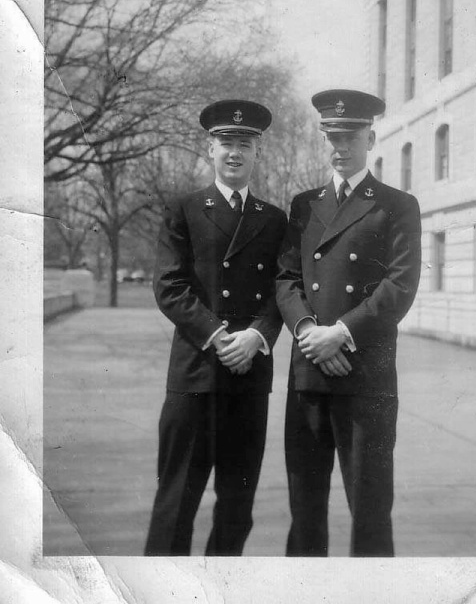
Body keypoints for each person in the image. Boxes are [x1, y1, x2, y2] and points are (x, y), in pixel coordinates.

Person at [277, 89, 422, 557]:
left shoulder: (397, 205)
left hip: (366, 382)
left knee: (371, 514)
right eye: (332, 138)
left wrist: (339, 334)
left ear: (371, 138)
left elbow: (399, 286)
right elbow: (287, 279)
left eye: (350, 137)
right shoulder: (303, 206)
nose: (340, 148)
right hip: (309, 375)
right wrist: (306, 332)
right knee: (305, 514)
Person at [144, 99, 287, 556]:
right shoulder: (184, 208)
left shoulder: (274, 218)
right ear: (210, 149)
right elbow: (169, 286)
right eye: (227, 143)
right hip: (196, 375)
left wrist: (258, 336)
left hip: (249, 378)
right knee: (175, 505)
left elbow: (282, 290)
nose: (235, 153)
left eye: (245, 144)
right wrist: (220, 336)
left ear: (257, 152)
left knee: (237, 509)